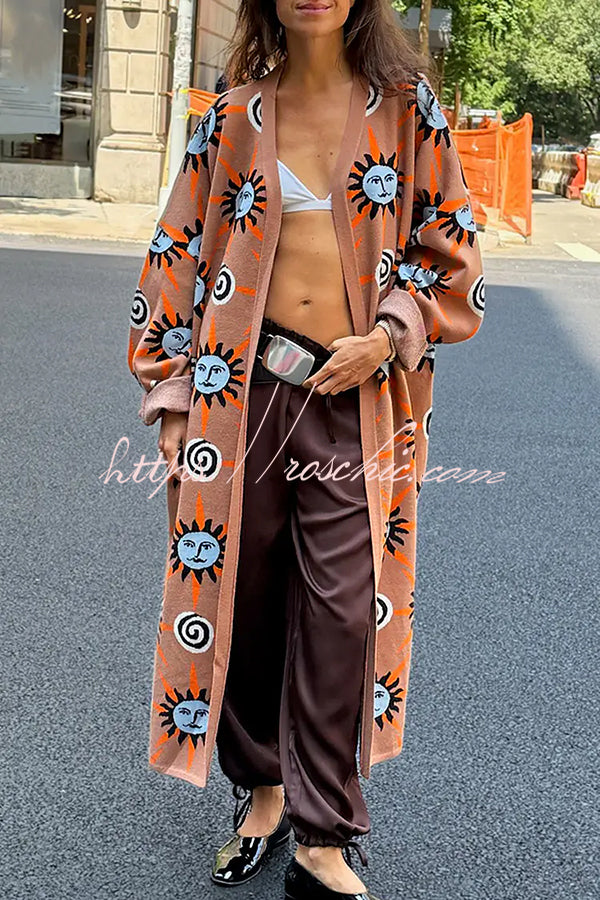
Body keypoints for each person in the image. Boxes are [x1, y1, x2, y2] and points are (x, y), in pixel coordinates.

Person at [126, 0, 485, 897]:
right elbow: (175, 251)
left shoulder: (405, 109)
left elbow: (452, 245)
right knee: (241, 594)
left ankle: (325, 834)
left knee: (344, 607)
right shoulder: (232, 117)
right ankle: (265, 794)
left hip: (355, 398)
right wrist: (172, 393)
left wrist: (390, 333)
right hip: (240, 395)